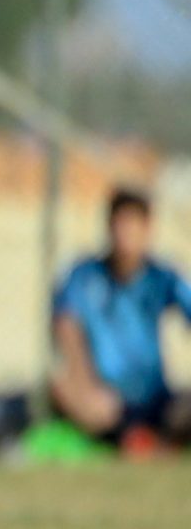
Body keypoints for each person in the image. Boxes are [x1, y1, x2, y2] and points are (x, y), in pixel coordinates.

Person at [49, 188, 191, 450]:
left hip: (156, 399)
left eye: (134, 226)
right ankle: (133, 441)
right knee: (62, 388)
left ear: (148, 230)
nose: (126, 235)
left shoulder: (162, 276)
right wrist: (86, 385)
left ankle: (153, 442)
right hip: (104, 399)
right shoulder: (84, 276)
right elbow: (66, 330)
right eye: (121, 225)